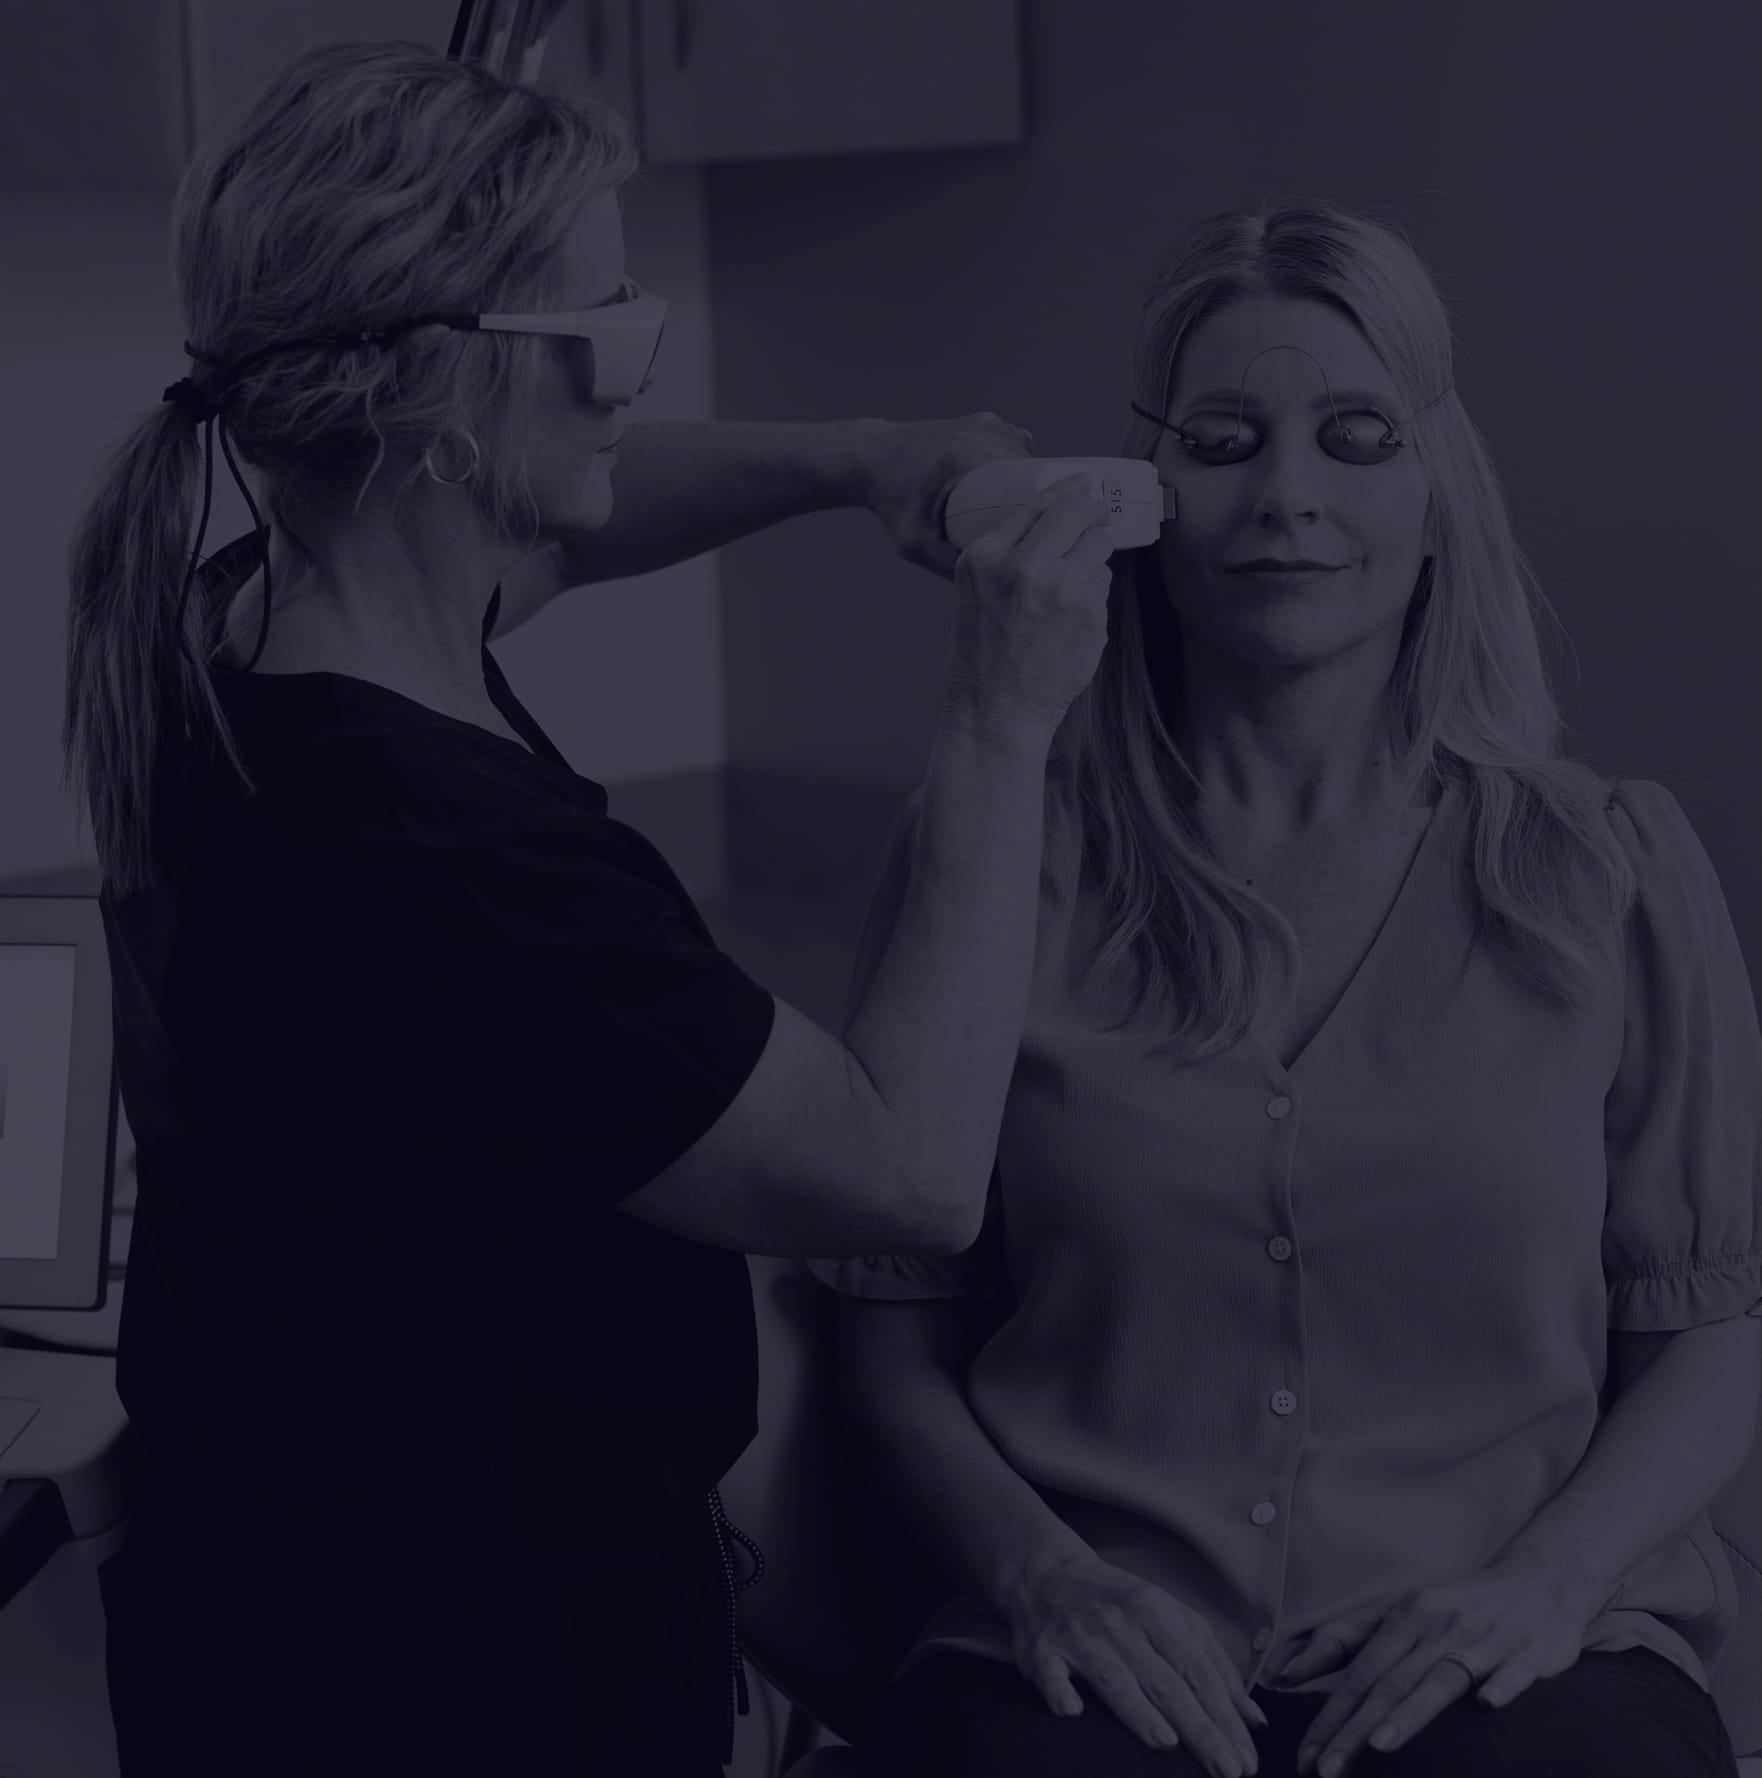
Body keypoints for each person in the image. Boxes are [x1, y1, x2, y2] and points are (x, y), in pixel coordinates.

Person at [60, 42, 1118, 1778]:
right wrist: (1002, 712)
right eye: (604, 331)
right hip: (448, 1687)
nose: (641, 372)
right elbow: (904, 1168)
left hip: (272, 1614)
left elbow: (560, 538)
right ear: (429, 389)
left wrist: (860, 459)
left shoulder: (244, 636)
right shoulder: (442, 857)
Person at [812, 197, 1761, 1778]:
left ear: (1439, 491)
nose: (1287, 498)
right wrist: (1040, 1575)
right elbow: (889, 1337)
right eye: (1226, 439)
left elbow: (1712, 1331)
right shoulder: (993, 857)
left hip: (1513, 1642)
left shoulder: (1607, 870)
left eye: (1355, 436)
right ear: (1143, 493)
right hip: (1082, 1646)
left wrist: (1545, 1584)